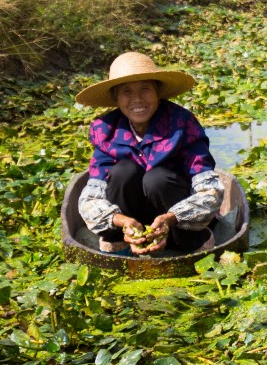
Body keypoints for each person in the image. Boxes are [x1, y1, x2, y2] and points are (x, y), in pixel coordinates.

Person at [76, 52, 223, 255]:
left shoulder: (181, 123)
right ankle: (120, 242)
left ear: (157, 92)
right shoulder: (105, 130)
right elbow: (90, 200)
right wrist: (122, 221)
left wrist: (171, 218)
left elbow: (210, 191)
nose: (137, 99)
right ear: (116, 98)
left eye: (145, 89)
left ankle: (189, 242)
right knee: (123, 171)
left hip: (181, 221)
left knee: (157, 178)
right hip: (130, 227)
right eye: (126, 92)